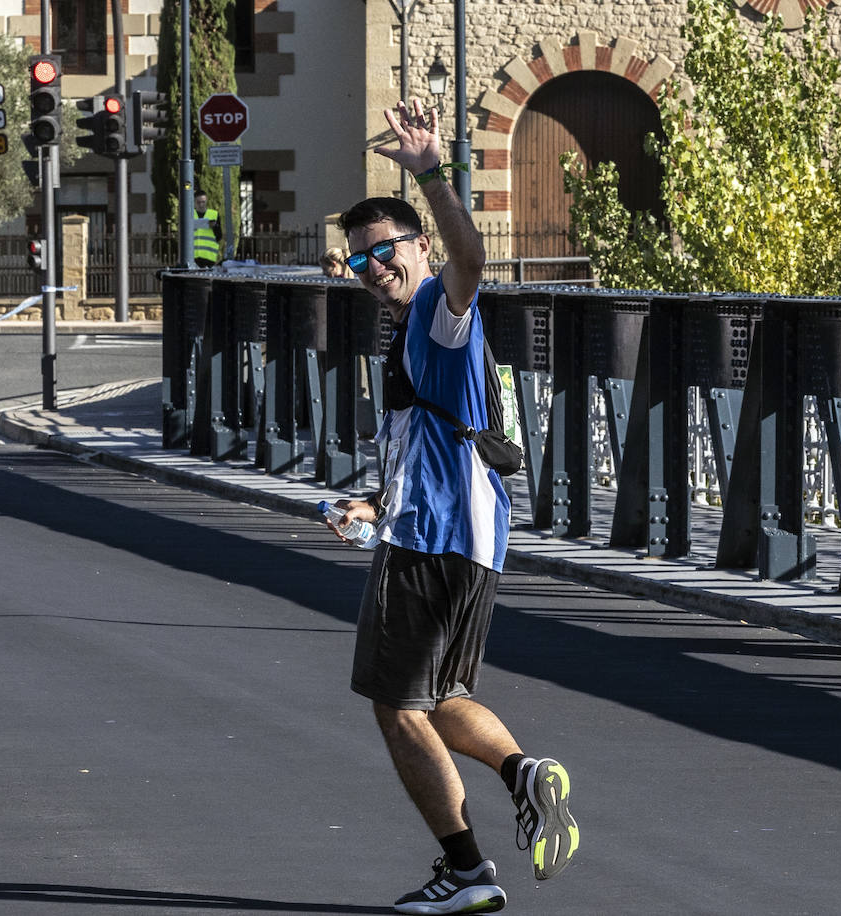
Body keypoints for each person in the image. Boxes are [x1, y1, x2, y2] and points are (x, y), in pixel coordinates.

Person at [327, 98, 579, 915]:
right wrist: (372, 500)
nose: (375, 269)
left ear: (418, 247)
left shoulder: (439, 309)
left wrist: (432, 172)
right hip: (454, 534)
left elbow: (471, 260)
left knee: (395, 707)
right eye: (361, 260)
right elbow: (427, 442)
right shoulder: (405, 331)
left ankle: (468, 871)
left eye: (386, 251)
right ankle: (526, 774)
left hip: (434, 542)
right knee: (439, 696)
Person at [192, 191, 222, 267]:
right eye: (198, 202)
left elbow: (219, 236)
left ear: (206, 201)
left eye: (203, 202)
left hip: (209, 257)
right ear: (194, 202)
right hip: (192, 257)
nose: (201, 205)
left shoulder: (214, 214)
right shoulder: (190, 214)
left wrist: (215, 227)